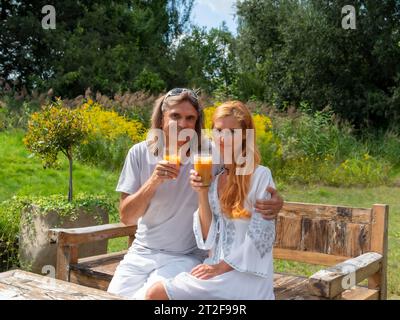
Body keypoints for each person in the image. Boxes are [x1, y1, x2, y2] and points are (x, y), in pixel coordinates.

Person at [107, 89, 283, 299]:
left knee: (151, 296)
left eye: (190, 118)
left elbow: (249, 170)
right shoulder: (139, 153)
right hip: (141, 252)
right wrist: (154, 180)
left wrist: (276, 202)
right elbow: (126, 217)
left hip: (185, 257)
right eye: (175, 116)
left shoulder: (210, 154)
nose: (182, 124)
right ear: (162, 117)